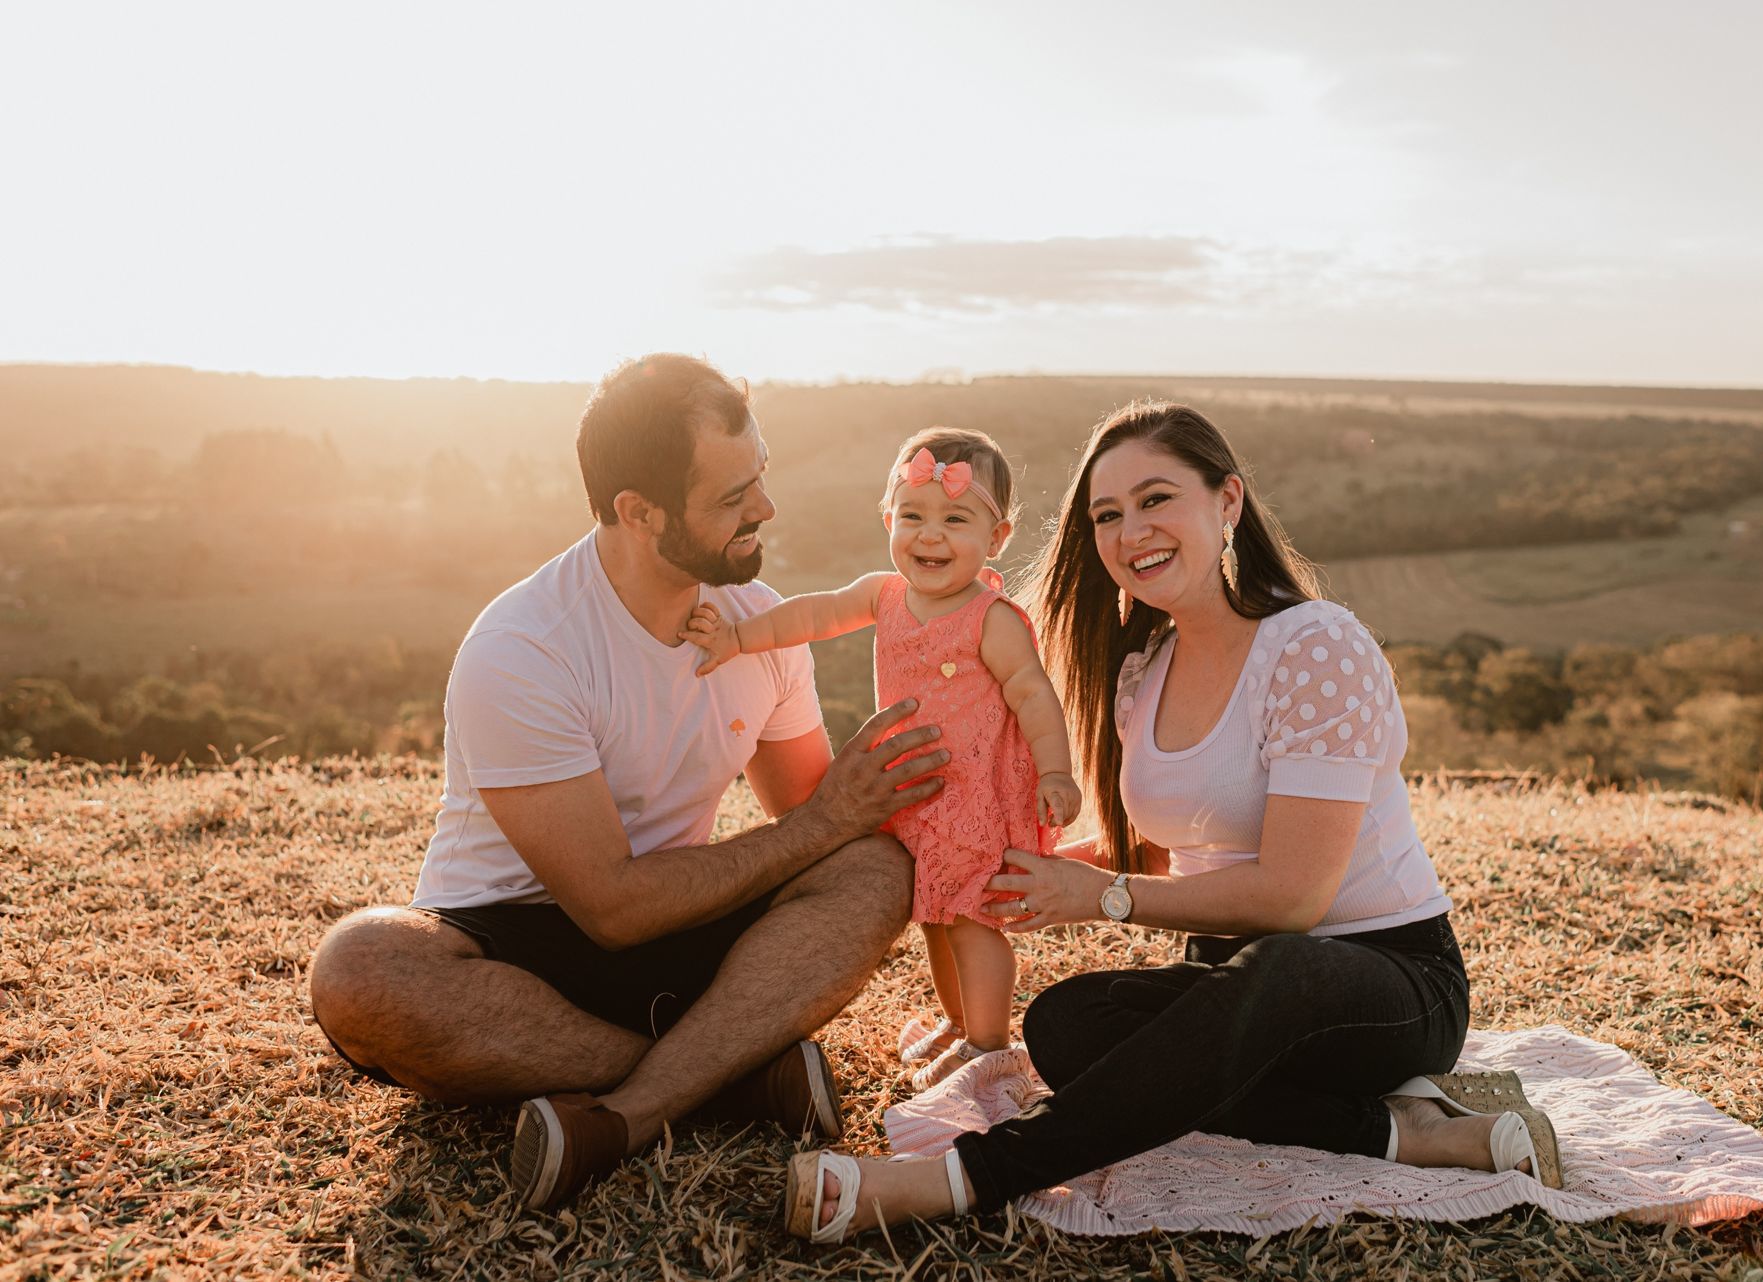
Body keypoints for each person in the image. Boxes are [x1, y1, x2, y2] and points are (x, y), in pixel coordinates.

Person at [782, 401, 1563, 1243]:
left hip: (1386, 982)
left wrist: (1102, 897)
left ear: (1226, 502)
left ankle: (960, 1178)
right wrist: (1019, 871)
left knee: (1281, 965)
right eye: (1107, 515)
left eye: (1156, 499)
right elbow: (1151, 847)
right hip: (1236, 984)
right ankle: (1397, 1131)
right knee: (1064, 1024)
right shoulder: (1141, 672)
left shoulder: (1315, 649)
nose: (1131, 531)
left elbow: (1294, 899)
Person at [307, 354, 951, 1214]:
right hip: (514, 945)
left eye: (758, 478)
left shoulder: (761, 624)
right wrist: (822, 821)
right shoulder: (526, 648)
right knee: (360, 968)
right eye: (732, 497)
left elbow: (815, 821)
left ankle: (630, 1111)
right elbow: (610, 908)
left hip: (684, 930)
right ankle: (731, 1082)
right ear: (638, 512)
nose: (764, 508)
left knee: (874, 871)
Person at [682, 427, 1081, 1090]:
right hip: (918, 796)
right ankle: (959, 1029)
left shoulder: (992, 618)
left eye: (956, 519)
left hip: (975, 800)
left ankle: (990, 1049)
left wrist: (1056, 770)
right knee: (936, 919)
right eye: (912, 516)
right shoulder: (884, 595)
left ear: (997, 539)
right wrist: (738, 637)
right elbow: (810, 617)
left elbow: (1033, 694)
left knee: (975, 924)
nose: (930, 536)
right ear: (888, 520)